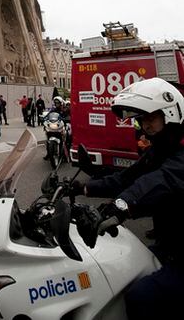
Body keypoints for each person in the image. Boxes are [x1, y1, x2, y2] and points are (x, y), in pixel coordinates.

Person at [73, 78, 184, 320]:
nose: (146, 126)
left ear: (170, 114)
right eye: (142, 120)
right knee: (116, 267)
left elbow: (159, 181)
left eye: (151, 118)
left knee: (141, 296)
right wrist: (81, 188)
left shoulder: (180, 153)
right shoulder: (160, 150)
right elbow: (127, 179)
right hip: (170, 246)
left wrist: (119, 207)